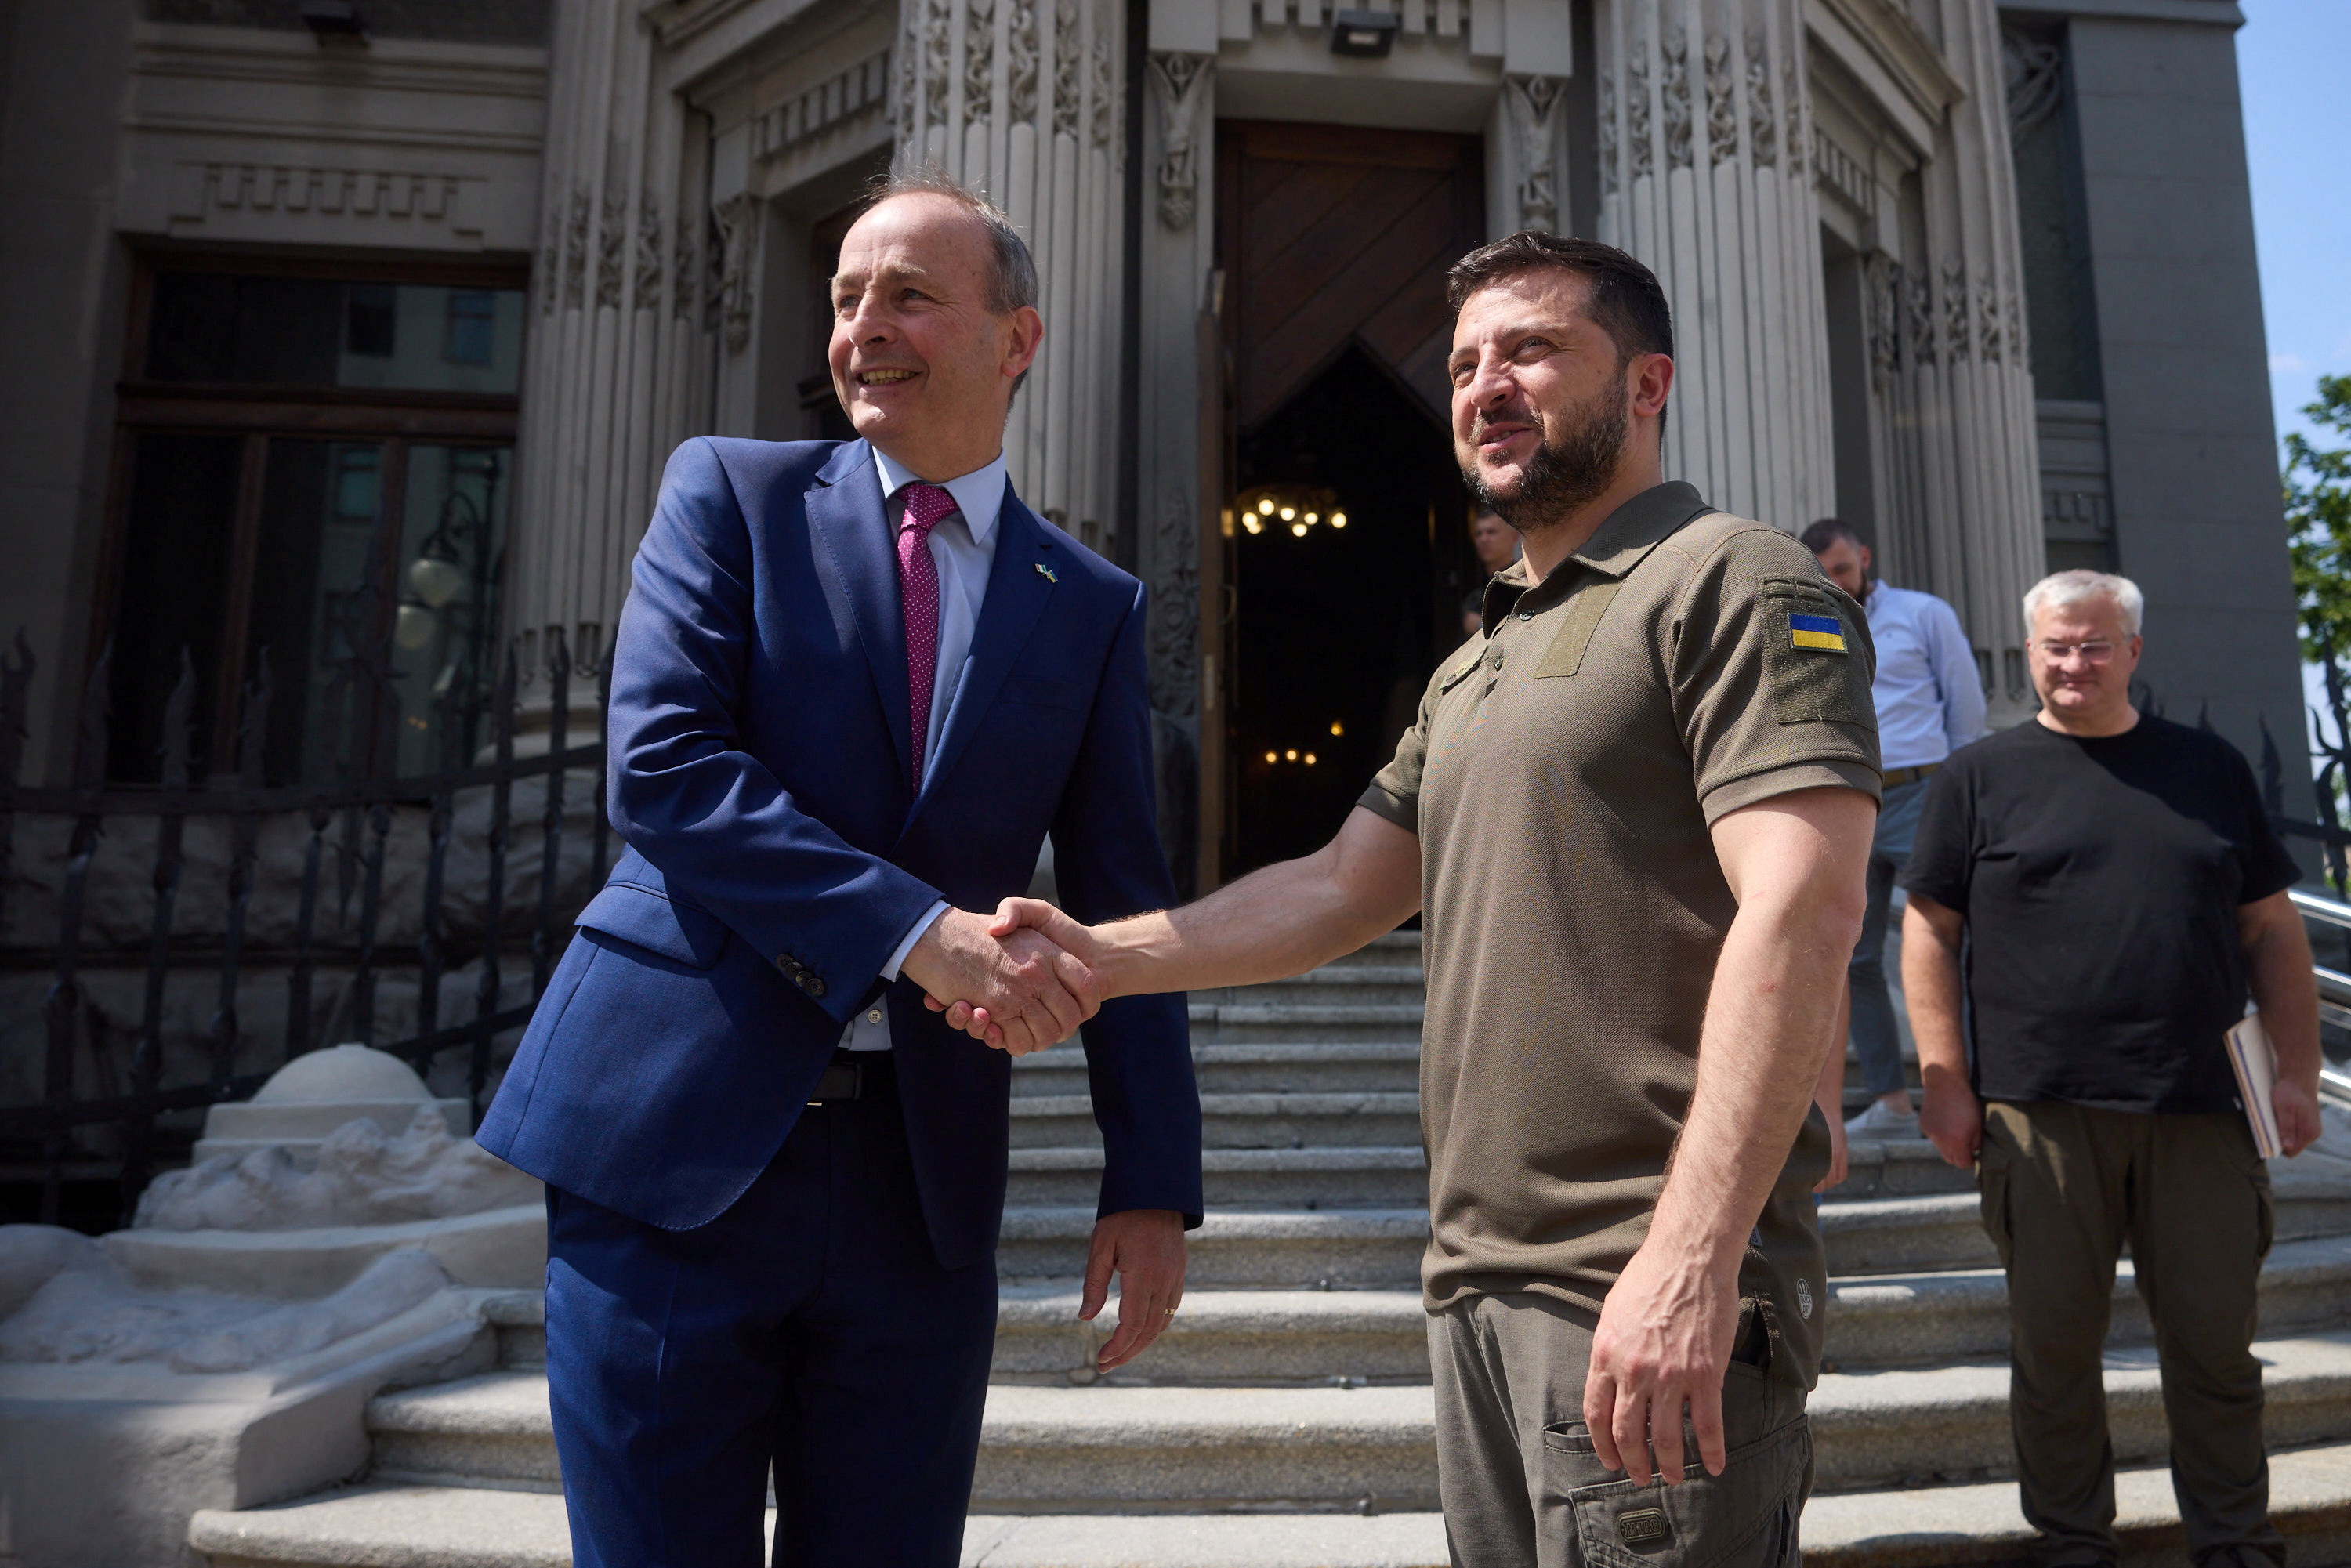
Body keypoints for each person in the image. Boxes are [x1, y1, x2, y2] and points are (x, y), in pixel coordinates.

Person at [937, 231, 1881, 1567]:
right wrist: (1095, 954)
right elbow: (1335, 889)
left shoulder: (1736, 578)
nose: (1489, 385)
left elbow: (1803, 913)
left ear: (1650, 381)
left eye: (1535, 350)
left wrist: (1690, 1256)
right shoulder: (1478, 656)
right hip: (1475, 1296)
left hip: (1643, 1286)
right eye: (1466, 364)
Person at [476, 170, 1202, 1568]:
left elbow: (1124, 899)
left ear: (1018, 340)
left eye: (911, 296)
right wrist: (920, 933)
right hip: (670, 1142)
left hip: (915, 1188)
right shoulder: (729, 496)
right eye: (846, 297)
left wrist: (1151, 1177)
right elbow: (666, 772)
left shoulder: (1092, 605)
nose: (864, 326)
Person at [1902, 568, 2323, 1568]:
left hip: (2207, 1108)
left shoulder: (2210, 769)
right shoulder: (1978, 778)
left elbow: (2270, 928)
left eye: (2094, 645)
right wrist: (1945, 1078)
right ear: (2031, 651)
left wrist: (2296, 1070)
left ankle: (2234, 1543)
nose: (2073, 663)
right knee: (2053, 1357)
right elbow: (1928, 930)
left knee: (2218, 1352)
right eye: (2055, 646)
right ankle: (2073, 1542)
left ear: (2133, 651)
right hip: (2038, 1111)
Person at [1802, 518, 1984, 1143]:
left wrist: (1960, 790)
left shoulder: (1922, 613)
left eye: (1844, 570)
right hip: (1846, 799)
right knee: (1855, 957)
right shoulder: (1807, 620)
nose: (1836, 583)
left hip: (1920, 792)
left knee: (1952, 935)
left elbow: (1965, 703)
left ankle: (1967, 1083)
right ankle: (1890, 1099)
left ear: (1864, 558)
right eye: (1824, 573)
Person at [1462, 509, 1523, 638]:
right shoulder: (1474, 593)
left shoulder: (1523, 582)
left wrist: (1480, 626)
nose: (1484, 539)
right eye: (1478, 533)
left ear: (1513, 537)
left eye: (1491, 532)